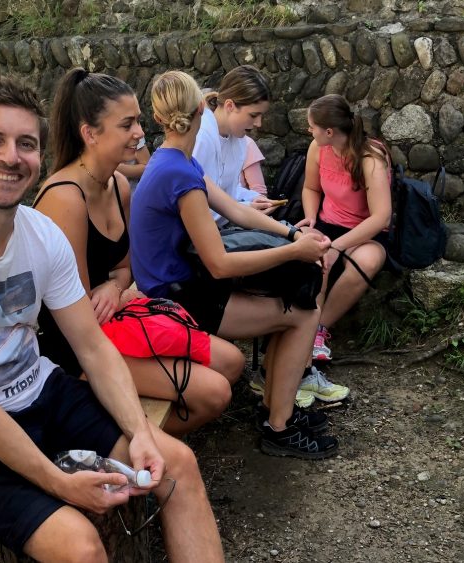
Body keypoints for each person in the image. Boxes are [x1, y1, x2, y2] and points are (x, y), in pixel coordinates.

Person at [0, 76, 224, 562]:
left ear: (40, 157)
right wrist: (60, 483)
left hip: (39, 390)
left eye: (26, 144)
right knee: (78, 544)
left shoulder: (41, 234)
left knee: (177, 464)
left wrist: (141, 433)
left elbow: (93, 346)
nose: (10, 156)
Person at [130, 70, 341, 460]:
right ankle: (278, 426)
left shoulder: (174, 160)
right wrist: (292, 252)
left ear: (159, 117)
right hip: (176, 297)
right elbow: (220, 264)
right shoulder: (180, 173)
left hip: (182, 282)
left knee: (292, 298)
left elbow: (236, 211)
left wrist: (292, 234)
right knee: (302, 313)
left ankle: (277, 408)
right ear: (202, 108)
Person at [33, 68, 244, 437]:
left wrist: (115, 287)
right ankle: (124, 445)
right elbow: (77, 311)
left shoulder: (117, 185)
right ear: (90, 134)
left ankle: (135, 441)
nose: (139, 133)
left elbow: (125, 266)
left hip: (113, 318)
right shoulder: (65, 198)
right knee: (215, 393)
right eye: (127, 124)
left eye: (138, 121)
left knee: (232, 362)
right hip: (74, 346)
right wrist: (116, 291)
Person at [298, 94, 392, 363]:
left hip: (366, 232)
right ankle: (302, 328)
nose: (309, 131)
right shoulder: (317, 148)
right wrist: (310, 217)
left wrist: (337, 247)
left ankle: (319, 329)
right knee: (309, 250)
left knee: (367, 261)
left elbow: (381, 217)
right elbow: (310, 188)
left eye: (312, 126)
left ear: (329, 131)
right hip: (327, 223)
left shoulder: (370, 157)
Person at [193, 65, 279, 224]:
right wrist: (246, 208)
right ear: (229, 106)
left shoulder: (239, 140)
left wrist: (254, 198)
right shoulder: (201, 137)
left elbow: (228, 190)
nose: (258, 123)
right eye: (253, 115)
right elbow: (195, 203)